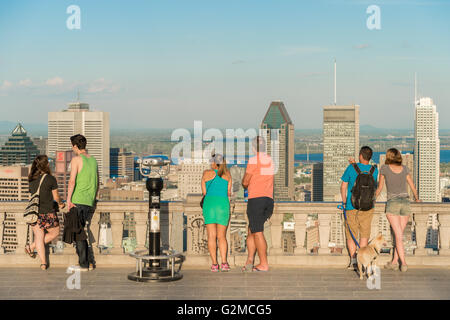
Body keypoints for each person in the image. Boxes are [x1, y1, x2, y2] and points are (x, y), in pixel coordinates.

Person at [375, 148, 420, 272]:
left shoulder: (384, 169)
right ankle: (394, 262)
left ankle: (403, 263)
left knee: (398, 235)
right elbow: (412, 185)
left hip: (393, 203)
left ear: (388, 157)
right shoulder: (405, 169)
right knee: (398, 234)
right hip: (405, 202)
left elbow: (380, 187)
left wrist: (373, 198)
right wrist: (417, 198)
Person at [341, 146, 378, 270]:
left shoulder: (351, 168)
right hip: (368, 207)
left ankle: (353, 261)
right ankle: (362, 261)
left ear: (360, 156)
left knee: (351, 234)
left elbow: (343, 186)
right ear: (370, 157)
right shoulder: (374, 170)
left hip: (351, 206)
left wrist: (344, 201)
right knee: (364, 234)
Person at [25, 155, 65, 270]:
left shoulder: (31, 179)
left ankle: (43, 263)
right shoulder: (50, 179)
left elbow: (31, 195)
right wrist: (61, 204)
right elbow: (56, 197)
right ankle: (31, 247)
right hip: (48, 212)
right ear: (46, 165)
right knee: (55, 232)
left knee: (39, 236)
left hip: (34, 212)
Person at [241, 136, 274, 272]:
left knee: (258, 231)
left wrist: (244, 184)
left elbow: (245, 181)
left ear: (254, 148)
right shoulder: (270, 160)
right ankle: (250, 260)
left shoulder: (253, 160)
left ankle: (263, 264)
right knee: (252, 230)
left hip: (256, 199)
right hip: (268, 199)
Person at [67, 134, 99, 272]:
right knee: (81, 232)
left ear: (75, 146)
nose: (72, 148)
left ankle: (84, 264)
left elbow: (72, 181)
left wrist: (68, 199)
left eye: (72, 146)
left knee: (78, 233)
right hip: (89, 200)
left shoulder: (76, 160)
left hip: (78, 199)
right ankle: (88, 262)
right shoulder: (93, 160)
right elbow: (97, 182)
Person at [201, 153, 232, 272]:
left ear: (214, 162)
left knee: (211, 236)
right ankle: (224, 263)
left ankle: (214, 264)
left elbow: (204, 192)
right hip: (222, 205)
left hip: (209, 205)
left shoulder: (206, 173)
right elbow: (229, 192)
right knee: (222, 236)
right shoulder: (228, 174)